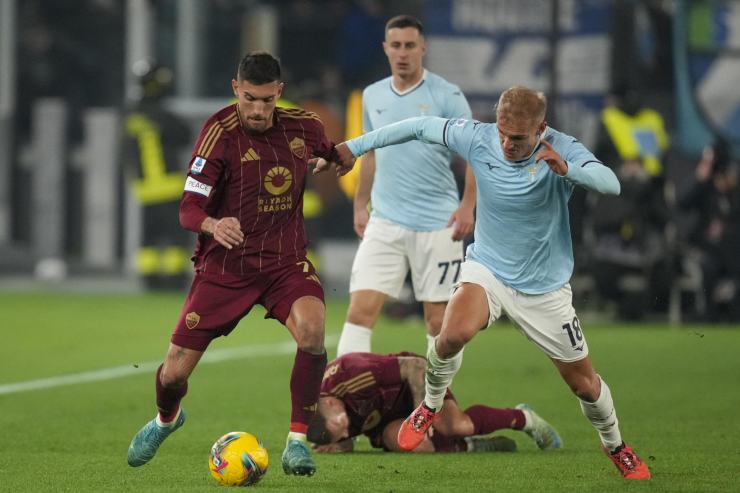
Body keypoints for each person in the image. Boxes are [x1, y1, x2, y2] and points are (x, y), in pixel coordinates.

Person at [327, 86, 651, 480]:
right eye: (502, 132)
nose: (506, 143)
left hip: (544, 289)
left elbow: (610, 183)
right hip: (489, 271)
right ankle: (429, 406)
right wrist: (354, 146)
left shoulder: (561, 149)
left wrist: (569, 170)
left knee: (585, 386)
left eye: (517, 138)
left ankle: (615, 444)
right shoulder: (477, 136)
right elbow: (416, 126)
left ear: (541, 129)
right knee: (450, 334)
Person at [126, 52, 351, 477]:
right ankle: (166, 419)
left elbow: (333, 151)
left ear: (278, 93)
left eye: (267, 100)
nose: (259, 110)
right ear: (236, 89)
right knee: (173, 372)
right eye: (250, 99)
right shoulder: (218, 134)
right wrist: (212, 223)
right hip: (227, 268)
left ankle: (297, 442)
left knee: (313, 330)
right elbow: (189, 207)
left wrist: (344, 155)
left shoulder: (304, 126)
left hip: (285, 262)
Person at [336, 15, 476, 357]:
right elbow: (368, 153)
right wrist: (360, 204)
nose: (403, 53)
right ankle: (345, 399)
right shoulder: (372, 95)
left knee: (437, 321)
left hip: (438, 224)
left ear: (423, 48)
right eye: (396, 46)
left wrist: (467, 206)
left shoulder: (447, 95)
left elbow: (475, 154)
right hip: (385, 221)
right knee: (359, 313)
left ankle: (435, 406)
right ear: (385, 49)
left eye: (410, 46)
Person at [307, 352, 561, 454]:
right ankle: (471, 447)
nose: (346, 432)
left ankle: (524, 418)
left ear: (330, 403)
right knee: (415, 445)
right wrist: (339, 445)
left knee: (455, 425)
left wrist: (423, 410)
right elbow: (343, 437)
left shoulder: (352, 374)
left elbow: (414, 366)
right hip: (386, 414)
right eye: (341, 433)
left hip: (414, 384)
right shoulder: (325, 414)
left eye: (341, 427)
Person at [122, 60, 193, 289]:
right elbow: (185, 134)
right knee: (175, 235)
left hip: (145, 189)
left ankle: (149, 277)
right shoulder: (163, 116)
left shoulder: (130, 116)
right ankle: (173, 278)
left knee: (149, 235)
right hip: (169, 184)